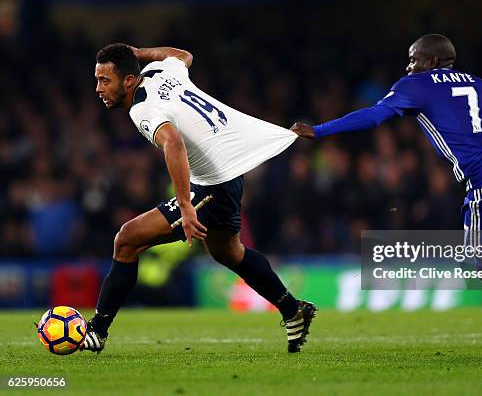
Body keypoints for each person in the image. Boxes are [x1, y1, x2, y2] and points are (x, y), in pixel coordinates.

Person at [291, 34, 482, 354]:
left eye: (414, 59)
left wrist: (319, 130)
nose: (408, 65)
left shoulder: (415, 85)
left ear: (432, 62)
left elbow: (373, 115)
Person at [84, 43, 316, 354]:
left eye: (104, 80)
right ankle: (292, 309)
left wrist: (185, 206)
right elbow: (183, 56)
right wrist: (139, 52)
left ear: (128, 81)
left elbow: (174, 143)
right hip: (227, 171)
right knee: (227, 252)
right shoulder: (159, 71)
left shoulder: (143, 110)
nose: (98, 88)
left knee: (127, 240)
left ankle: (97, 331)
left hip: (212, 184)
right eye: (97, 79)